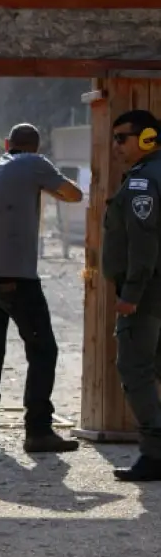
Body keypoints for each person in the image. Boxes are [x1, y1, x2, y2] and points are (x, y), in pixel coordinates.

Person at [0, 123, 84, 452]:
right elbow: (75, 194)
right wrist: (47, 185)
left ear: (6, 143)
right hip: (16, 277)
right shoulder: (34, 164)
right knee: (44, 351)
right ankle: (38, 430)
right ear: (36, 146)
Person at [101, 109, 161, 481]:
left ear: (147, 138)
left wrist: (131, 293)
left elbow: (143, 245)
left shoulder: (143, 182)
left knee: (134, 368)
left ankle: (155, 453)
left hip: (148, 295)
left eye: (123, 138)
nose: (116, 146)